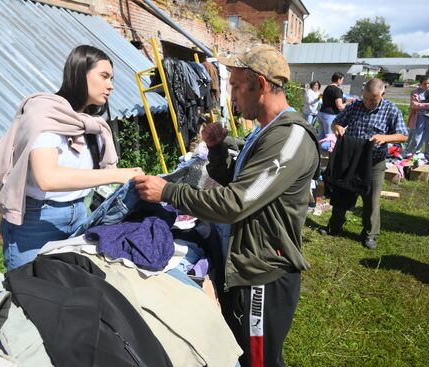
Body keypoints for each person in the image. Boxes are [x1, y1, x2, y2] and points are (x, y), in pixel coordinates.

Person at [134, 45, 320, 367]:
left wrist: (168, 191)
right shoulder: (265, 131)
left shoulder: (290, 140)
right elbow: (245, 186)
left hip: (264, 275)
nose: (230, 95)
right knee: (241, 352)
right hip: (248, 267)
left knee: (258, 362)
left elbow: (237, 203)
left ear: (260, 85)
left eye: (235, 86)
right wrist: (218, 151)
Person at [0, 45, 143, 271]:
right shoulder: (45, 115)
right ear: (80, 73)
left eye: (112, 78)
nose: (111, 85)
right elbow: (47, 178)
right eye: (104, 76)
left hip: (78, 213)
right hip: (36, 221)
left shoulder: (88, 123)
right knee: (32, 291)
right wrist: (116, 175)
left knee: (71, 288)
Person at [319, 78, 407, 249]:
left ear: (382, 94)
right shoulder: (355, 105)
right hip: (351, 158)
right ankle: (334, 226)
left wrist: (385, 137)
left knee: (371, 198)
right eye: (365, 98)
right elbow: (336, 123)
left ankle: (369, 234)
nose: (367, 102)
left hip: (374, 162)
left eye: (372, 99)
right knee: (342, 191)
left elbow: (403, 135)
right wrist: (337, 128)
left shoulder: (391, 110)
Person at [404, 75, 429, 163]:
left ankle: (428, 156)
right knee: (416, 138)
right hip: (419, 117)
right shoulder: (415, 93)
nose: (426, 85)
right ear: (420, 83)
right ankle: (410, 153)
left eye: (428, 83)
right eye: (424, 83)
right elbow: (414, 105)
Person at [317, 72, 345, 140]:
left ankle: (318, 150)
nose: (342, 82)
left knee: (321, 136)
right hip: (330, 115)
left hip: (321, 113)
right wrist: (348, 106)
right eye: (342, 80)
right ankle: (327, 151)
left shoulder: (327, 88)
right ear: (338, 80)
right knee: (330, 138)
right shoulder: (337, 90)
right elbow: (340, 106)